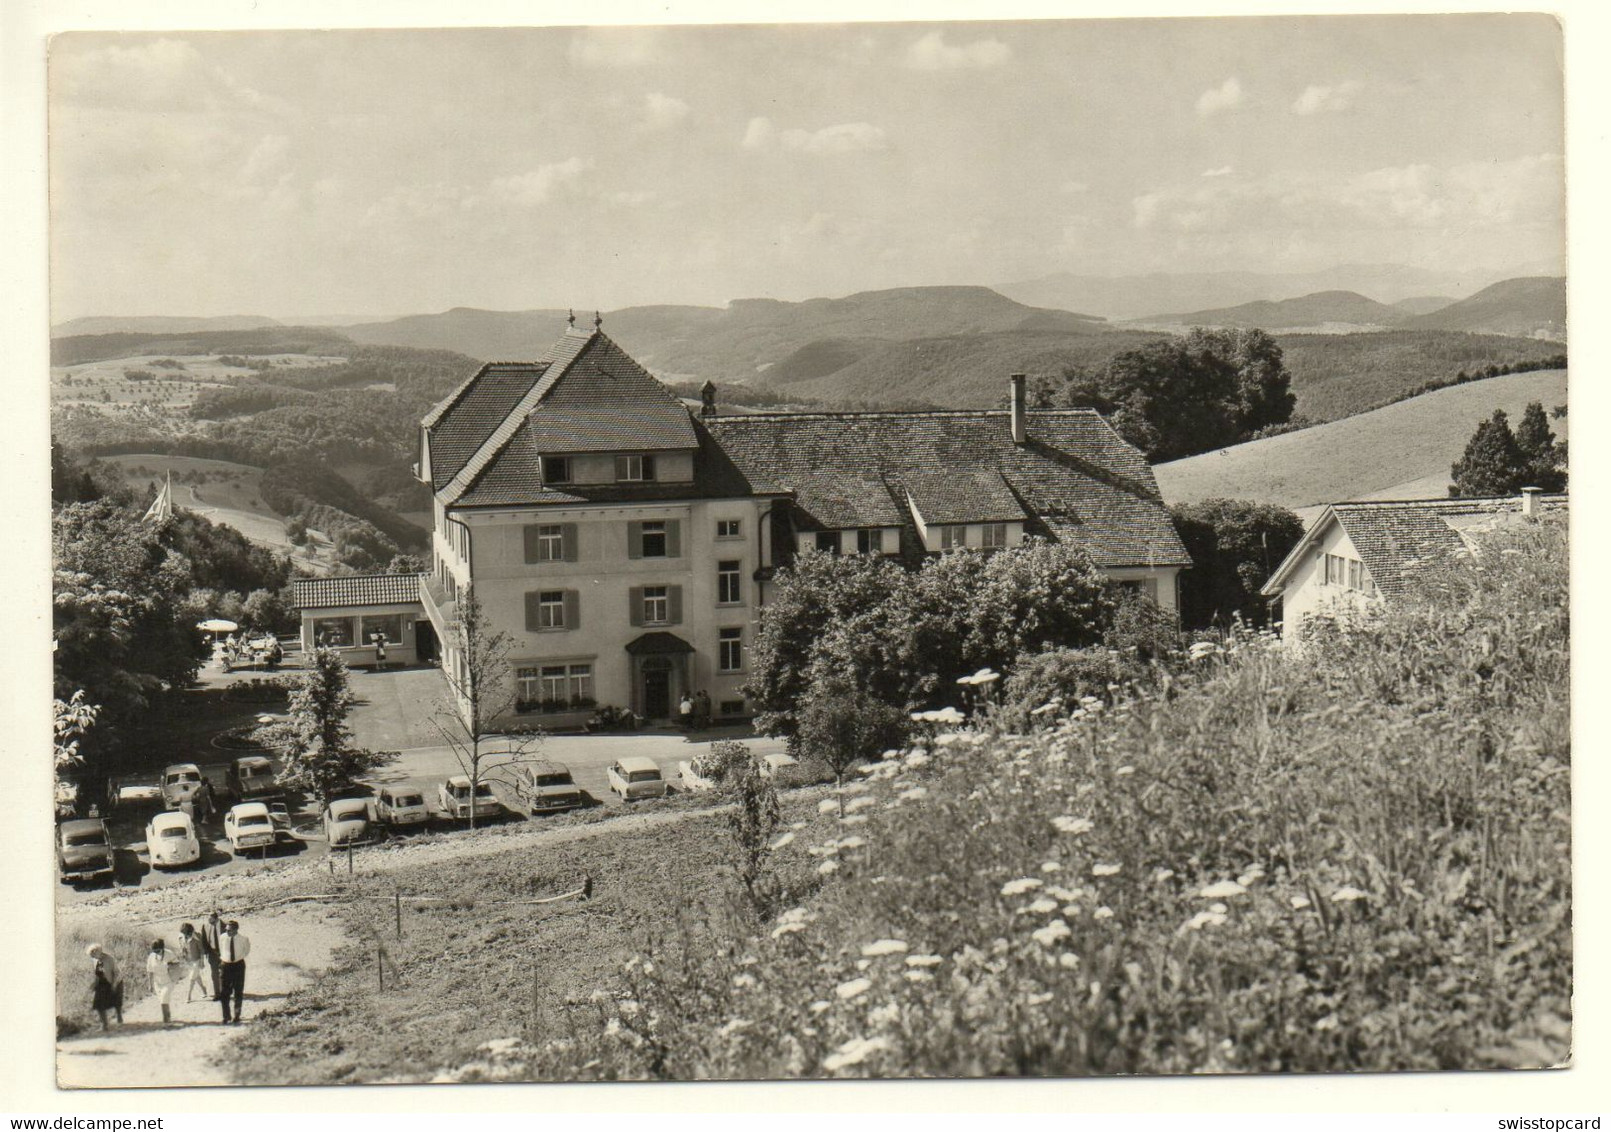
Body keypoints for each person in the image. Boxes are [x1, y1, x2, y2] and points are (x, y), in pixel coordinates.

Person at [219, 920, 250, 1024]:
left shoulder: (243, 939)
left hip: (238, 966)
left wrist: (237, 958)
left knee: (238, 991)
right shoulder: (222, 937)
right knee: (224, 992)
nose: (228, 932)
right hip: (225, 965)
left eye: (230, 930)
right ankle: (226, 1016)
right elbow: (221, 949)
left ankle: (237, 1015)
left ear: (236, 930)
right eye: (227, 930)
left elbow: (246, 951)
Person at [87, 944, 124, 1031]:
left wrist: (114, 985)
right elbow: (97, 974)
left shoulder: (109, 959)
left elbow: (117, 973)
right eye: (91, 956)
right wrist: (93, 985)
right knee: (98, 1004)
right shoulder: (95, 960)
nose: (92, 957)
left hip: (114, 981)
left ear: (98, 952)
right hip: (102, 983)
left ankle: (119, 1016)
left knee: (116, 1002)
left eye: (93, 955)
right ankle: (105, 1025)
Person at [146, 939, 177, 1025]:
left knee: (164, 1000)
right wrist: (150, 984)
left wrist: (174, 976)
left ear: (162, 948)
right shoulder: (152, 956)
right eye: (154, 951)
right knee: (163, 1001)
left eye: (158, 951)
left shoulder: (169, 954)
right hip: (157, 983)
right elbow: (150, 971)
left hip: (168, 981)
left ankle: (166, 1021)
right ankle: (168, 1016)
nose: (156, 952)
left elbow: (177, 965)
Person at [179, 923, 208, 1004]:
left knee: (191, 978)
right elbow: (182, 948)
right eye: (183, 932)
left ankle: (189, 996)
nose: (184, 934)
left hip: (197, 960)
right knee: (196, 976)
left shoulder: (197, 937)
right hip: (189, 961)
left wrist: (202, 962)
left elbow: (202, 951)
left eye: (185, 932)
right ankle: (204, 989)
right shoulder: (181, 938)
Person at [200, 911, 224, 1001]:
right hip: (212, 953)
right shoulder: (205, 926)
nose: (209, 920)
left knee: (224, 973)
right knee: (214, 974)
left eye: (211, 919)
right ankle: (217, 994)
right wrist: (207, 952)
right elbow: (204, 940)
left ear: (216, 918)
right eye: (208, 918)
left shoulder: (224, 926)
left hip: (223, 953)